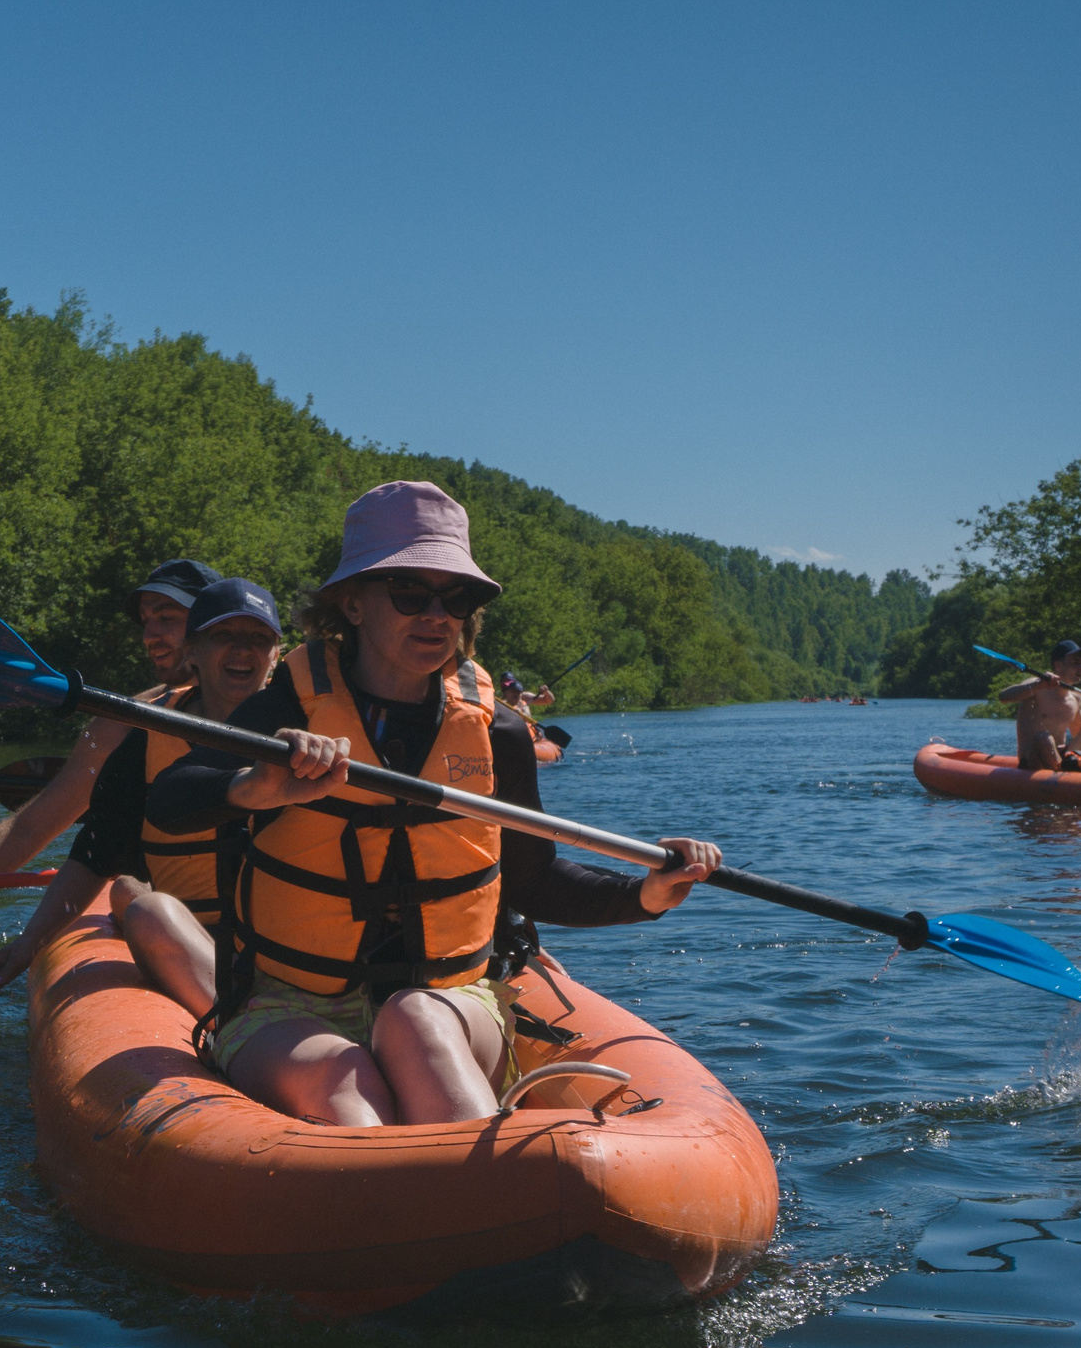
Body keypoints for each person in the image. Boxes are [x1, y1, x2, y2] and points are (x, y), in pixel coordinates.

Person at [149, 480, 720, 1129]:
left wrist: (646, 894)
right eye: (410, 593)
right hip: (293, 1007)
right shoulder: (285, 707)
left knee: (414, 1017)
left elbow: (533, 880)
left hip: (453, 1002)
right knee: (350, 1088)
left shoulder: (497, 731)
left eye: (458, 597)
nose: (436, 615)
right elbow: (170, 800)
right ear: (354, 604)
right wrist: (257, 785)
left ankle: (491, 1194)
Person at [0, 577, 286, 1018]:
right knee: (145, 907)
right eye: (224, 636)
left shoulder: (307, 734)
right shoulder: (146, 738)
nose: (242, 649)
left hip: (285, 951)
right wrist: (27, 945)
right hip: (191, 937)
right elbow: (98, 851)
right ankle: (237, 1028)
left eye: (258, 638)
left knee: (133, 894)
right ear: (192, 651)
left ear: (276, 656)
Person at [0, 558, 222, 941]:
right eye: (146, 621)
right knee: (128, 890)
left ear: (211, 626)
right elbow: (32, 826)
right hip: (175, 918)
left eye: (166, 618)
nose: (150, 635)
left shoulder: (280, 709)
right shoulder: (121, 724)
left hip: (259, 919)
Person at [997, 641, 1081, 772]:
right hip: (1032, 759)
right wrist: (1038, 685)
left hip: (1061, 756)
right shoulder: (1035, 686)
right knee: (1045, 738)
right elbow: (1003, 697)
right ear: (1058, 666)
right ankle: (1062, 780)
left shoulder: (1075, 697)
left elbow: (1079, 729)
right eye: (1075, 662)